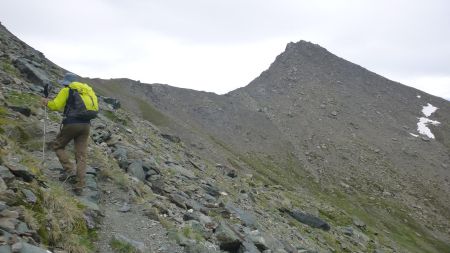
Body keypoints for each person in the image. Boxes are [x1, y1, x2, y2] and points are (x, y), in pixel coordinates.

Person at [42, 72, 95, 195]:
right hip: (86, 125)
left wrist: (46, 102)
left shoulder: (67, 90)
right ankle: (80, 184)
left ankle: (69, 169)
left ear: (66, 82)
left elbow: (56, 106)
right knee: (81, 155)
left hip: (72, 123)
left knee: (57, 145)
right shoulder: (86, 91)